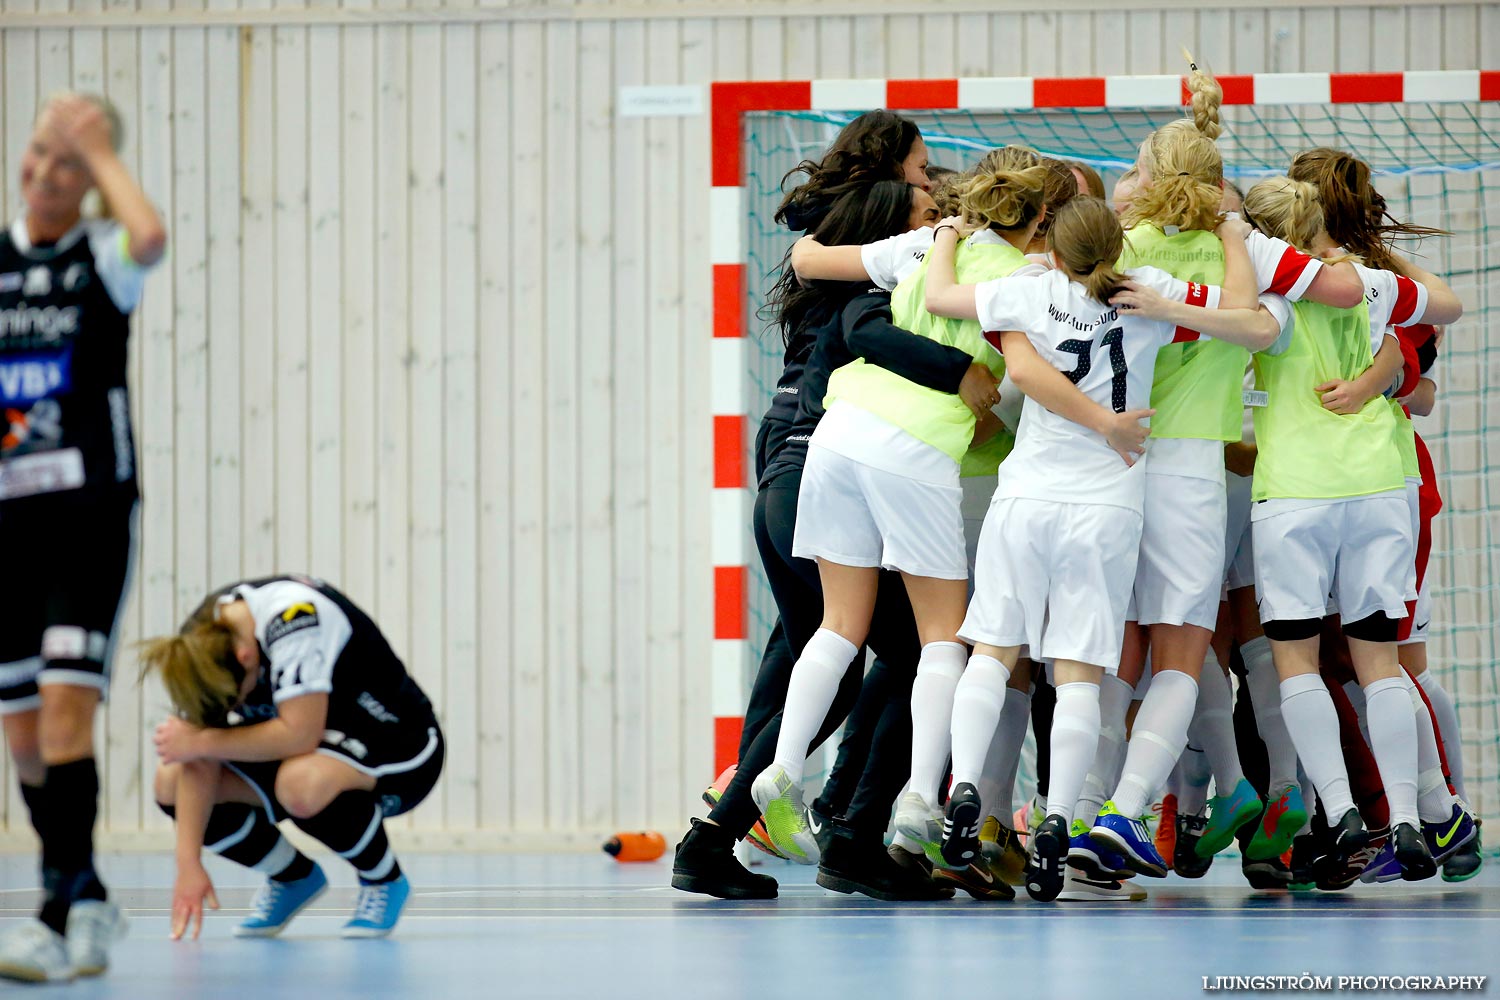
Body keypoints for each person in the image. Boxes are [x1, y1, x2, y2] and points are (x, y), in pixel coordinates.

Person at [923, 198, 1280, 899]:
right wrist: (1235, 234)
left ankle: (965, 788)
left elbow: (939, 294)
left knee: (993, 651)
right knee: (1082, 672)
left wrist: (943, 236)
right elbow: (1243, 310)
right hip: (1108, 505)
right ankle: (1060, 818)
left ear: (1051, 248)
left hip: (1027, 498)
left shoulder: (1027, 289)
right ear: (1116, 246)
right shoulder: (1151, 291)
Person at [0, 92, 166, 984]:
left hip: (87, 519)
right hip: (7, 528)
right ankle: (89, 889)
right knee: (25, 737)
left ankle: (56, 912)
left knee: (68, 712)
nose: (47, 172)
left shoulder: (103, 254)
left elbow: (149, 236)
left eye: (70, 161)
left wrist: (100, 146)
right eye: (40, 153)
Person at [143, 575, 445, 939]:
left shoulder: (295, 620)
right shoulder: (202, 639)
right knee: (170, 781)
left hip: (401, 746)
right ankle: (293, 878)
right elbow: (198, 754)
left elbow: (299, 734)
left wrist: (202, 741)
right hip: (315, 745)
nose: (238, 707)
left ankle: (384, 880)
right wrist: (188, 863)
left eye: (237, 698)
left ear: (246, 656)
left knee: (300, 784)